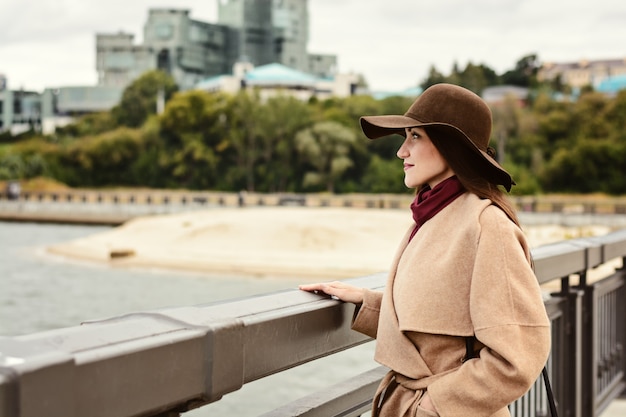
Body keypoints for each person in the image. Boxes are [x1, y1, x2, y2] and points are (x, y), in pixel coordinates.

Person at [299, 83, 551, 417]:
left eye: (415, 136)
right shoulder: (432, 216)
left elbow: (517, 358)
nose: (402, 151)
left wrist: (435, 404)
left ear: (451, 147)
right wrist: (367, 302)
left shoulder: (487, 226)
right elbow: (437, 330)